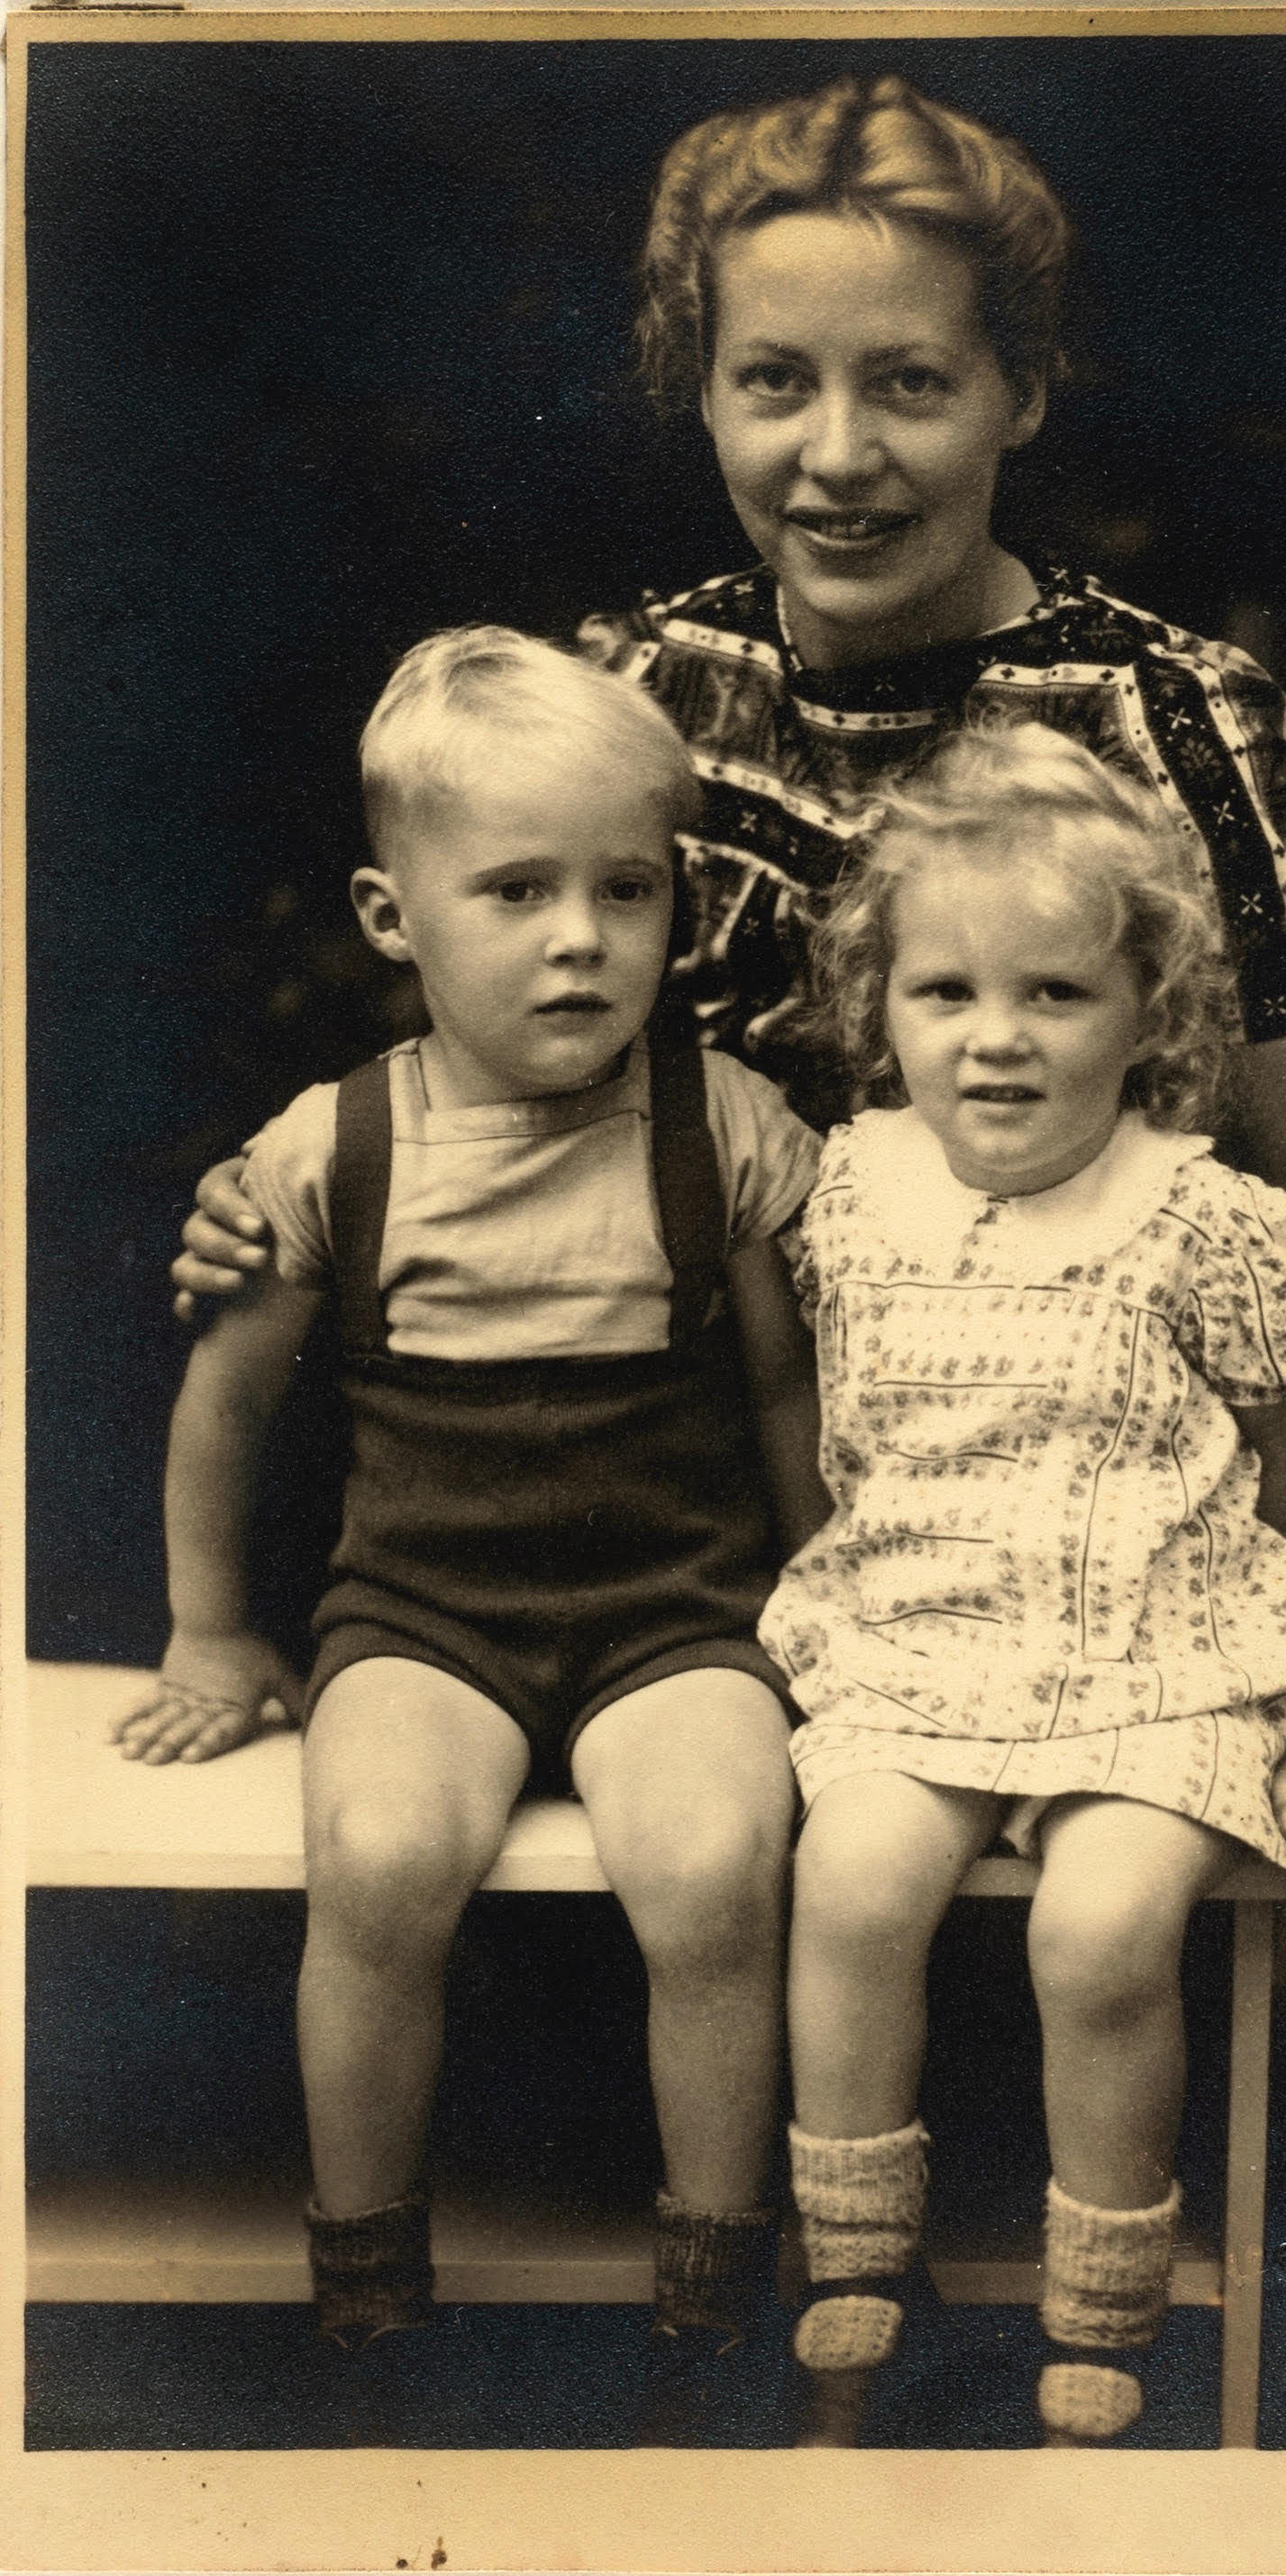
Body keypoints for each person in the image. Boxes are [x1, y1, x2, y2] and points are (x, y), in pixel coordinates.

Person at [170, 94, 1286, 1927]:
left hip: (1095, 1595)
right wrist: (287, 1198)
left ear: (1018, 395)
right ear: (703, 392)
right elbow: (498, 1082)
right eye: (771, 383)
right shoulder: (653, 685)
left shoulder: (1174, 721)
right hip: (701, 1594)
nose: (835, 455)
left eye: (908, 385)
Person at [115, 630, 828, 2416]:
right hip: (423, 1611)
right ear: (390, 915)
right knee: (373, 1859)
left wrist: (830, 1597)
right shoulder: (327, 1152)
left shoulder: (721, 1129)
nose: (581, 936)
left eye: (627, 888)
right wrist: (214, 1624)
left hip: (678, 1606)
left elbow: (785, 1395)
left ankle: (711, 2283)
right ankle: (364, 2277)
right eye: (516, 889)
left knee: (714, 1866)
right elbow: (227, 1405)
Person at [762, 722, 1286, 2445]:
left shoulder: (1196, 1215)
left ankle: (1107, 2303)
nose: (993, 1039)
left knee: (1100, 1930)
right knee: (854, 1879)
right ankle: (854, 2253)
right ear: (883, 1009)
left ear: (1145, 1015)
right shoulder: (850, 1183)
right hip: (916, 1634)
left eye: (1053, 997)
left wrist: (1242, 1597)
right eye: (943, 992)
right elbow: (816, 1401)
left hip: (1150, 1650)